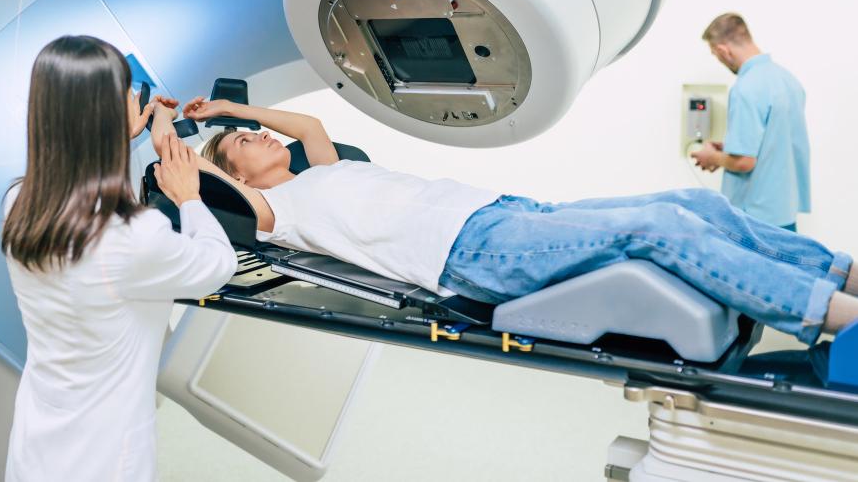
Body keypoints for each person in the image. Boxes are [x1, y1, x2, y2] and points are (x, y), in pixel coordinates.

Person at [147, 95, 858, 347]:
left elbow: (306, 122)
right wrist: (167, 128)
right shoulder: (279, 213)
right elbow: (190, 173)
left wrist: (234, 113)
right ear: (237, 175)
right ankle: (833, 314)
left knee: (694, 202)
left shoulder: (324, 166)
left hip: (502, 211)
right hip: (471, 255)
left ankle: (840, 269)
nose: (267, 139)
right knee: (661, 231)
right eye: (249, 144)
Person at [1, 36, 237, 482]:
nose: (137, 98)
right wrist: (189, 198)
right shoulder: (133, 238)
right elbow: (216, 267)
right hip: (104, 457)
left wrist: (121, 140)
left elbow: (101, 215)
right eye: (130, 90)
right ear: (105, 116)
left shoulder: (19, 200)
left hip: (39, 440)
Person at [691, 12, 810, 231]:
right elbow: (775, 146)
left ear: (722, 51)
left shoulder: (746, 87)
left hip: (755, 219)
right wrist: (729, 147)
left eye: (715, 55)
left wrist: (712, 156)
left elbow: (744, 161)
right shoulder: (788, 80)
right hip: (785, 211)